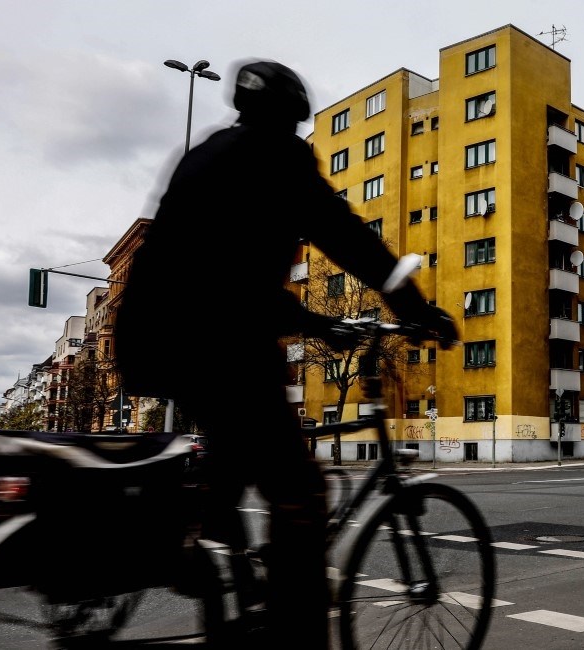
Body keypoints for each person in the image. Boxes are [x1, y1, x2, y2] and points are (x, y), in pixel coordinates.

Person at [114, 59, 457, 644]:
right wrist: (418, 311)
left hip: (152, 336)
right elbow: (350, 240)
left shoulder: (210, 154)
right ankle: (292, 630)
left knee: (232, 462)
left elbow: (226, 276)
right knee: (300, 490)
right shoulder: (280, 158)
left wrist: (316, 324)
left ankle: (205, 549)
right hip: (215, 343)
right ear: (289, 119)